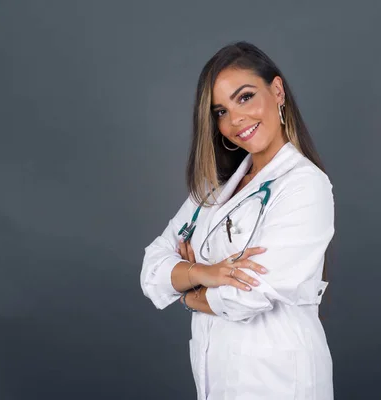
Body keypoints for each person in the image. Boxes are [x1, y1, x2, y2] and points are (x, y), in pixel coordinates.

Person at [140, 41, 335, 400]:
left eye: (245, 97)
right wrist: (203, 273)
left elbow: (249, 295)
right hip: (216, 377)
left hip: (277, 381)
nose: (235, 120)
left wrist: (186, 293)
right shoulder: (214, 190)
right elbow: (152, 270)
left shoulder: (305, 184)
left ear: (277, 91)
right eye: (220, 112)